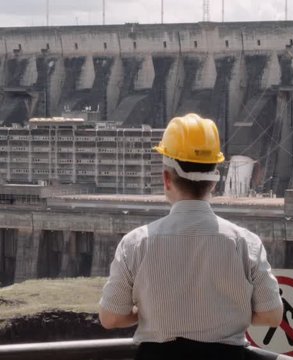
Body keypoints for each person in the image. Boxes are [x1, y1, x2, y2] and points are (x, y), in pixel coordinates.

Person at [98, 113, 283, 359]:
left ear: (166, 178)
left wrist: (148, 313)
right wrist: (224, 315)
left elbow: (111, 318)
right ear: (214, 180)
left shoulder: (136, 243)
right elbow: (272, 315)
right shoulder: (245, 243)